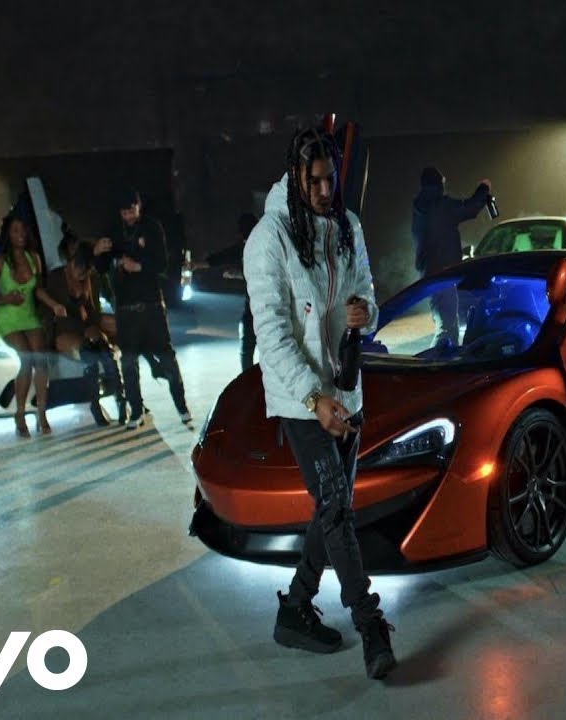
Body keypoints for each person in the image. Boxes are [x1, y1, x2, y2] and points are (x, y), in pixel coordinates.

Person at [245, 126, 396, 679]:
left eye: (331, 179)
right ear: (294, 176)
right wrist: (314, 399)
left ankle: (295, 610)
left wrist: (365, 312)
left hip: (346, 390)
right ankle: (371, 624)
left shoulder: (348, 226)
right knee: (335, 505)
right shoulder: (270, 238)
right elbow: (273, 336)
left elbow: (369, 295)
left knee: (332, 511)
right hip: (299, 398)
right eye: (314, 181)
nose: (325, 190)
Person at [92, 188, 191, 429]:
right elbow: (102, 267)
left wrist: (139, 266)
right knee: (128, 360)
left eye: (132, 211)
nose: (128, 216)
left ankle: (181, 406)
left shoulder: (151, 227)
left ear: (139, 206)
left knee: (166, 356)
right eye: (124, 212)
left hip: (151, 303)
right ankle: (136, 411)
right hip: (125, 307)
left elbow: (162, 263)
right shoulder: (113, 230)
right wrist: (98, 253)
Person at [0, 214, 65, 437]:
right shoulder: (0, 260)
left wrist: (54, 305)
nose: (20, 235)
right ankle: (19, 414)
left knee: (41, 361)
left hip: (28, 315)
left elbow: (38, 290)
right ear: (8, 235)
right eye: (15, 231)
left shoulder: (33, 258)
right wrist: (6, 298)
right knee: (26, 360)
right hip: (6, 317)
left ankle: (41, 413)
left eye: (23, 230)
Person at [45, 238, 123, 427]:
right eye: (81, 269)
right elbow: (40, 294)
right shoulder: (56, 276)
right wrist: (54, 307)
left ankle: (121, 399)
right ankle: (94, 404)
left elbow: (90, 310)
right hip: (64, 328)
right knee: (90, 354)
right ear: (73, 262)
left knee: (106, 351)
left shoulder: (87, 278)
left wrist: (102, 324)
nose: (83, 274)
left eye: (87, 271)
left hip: (83, 325)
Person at [410, 167, 491, 344]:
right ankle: (437, 359)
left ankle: (448, 357)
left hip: (431, 273)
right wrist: (483, 188)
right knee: (446, 328)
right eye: (443, 182)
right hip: (442, 274)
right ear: (438, 184)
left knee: (449, 325)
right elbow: (470, 207)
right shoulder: (440, 205)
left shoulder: (420, 207)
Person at [200, 211, 259, 370]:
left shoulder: (252, 246)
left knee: (248, 350)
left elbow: (223, 256)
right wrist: (238, 274)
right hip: (255, 306)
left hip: (259, 307)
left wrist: (198, 264)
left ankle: (251, 379)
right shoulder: (257, 245)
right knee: (250, 349)